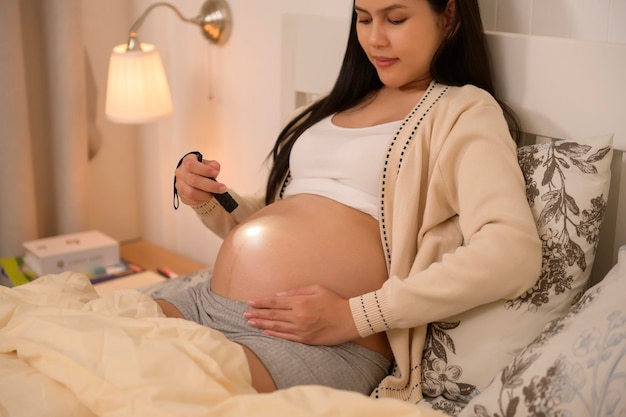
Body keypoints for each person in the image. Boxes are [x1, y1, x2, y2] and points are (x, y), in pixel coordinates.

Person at [156, 0, 542, 401]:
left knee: (163, 393)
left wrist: (356, 315)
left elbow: (511, 253)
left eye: (395, 19)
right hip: (206, 302)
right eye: (363, 18)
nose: (375, 38)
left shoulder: (462, 112)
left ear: (449, 16)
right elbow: (275, 217)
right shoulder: (326, 108)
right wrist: (207, 196)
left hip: (312, 342)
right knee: (94, 349)